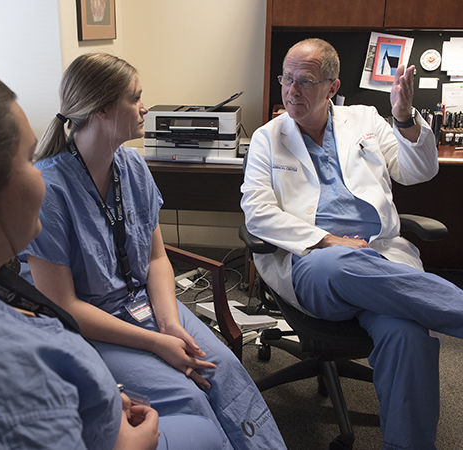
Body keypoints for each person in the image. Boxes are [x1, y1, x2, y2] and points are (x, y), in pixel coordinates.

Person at [0, 64, 226, 450]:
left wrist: (97, 396)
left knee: (223, 378)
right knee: (200, 429)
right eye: (27, 158)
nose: (40, 173)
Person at [18, 53, 287, 450]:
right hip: (92, 327)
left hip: (146, 305)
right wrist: (156, 342)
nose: (145, 107)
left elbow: (157, 259)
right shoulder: (49, 190)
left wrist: (171, 325)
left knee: (224, 370)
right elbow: (65, 305)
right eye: (135, 98)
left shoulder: (133, 166)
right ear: (102, 109)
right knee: (189, 396)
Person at [241, 38, 463, 450]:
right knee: (340, 263)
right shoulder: (266, 138)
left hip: (380, 255)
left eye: (304, 81)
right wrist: (329, 240)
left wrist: (403, 115)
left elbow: (420, 170)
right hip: (314, 261)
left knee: (407, 336)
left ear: (332, 86)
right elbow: (257, 212)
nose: (291, 90)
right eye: (285, 79)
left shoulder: (365, 119)